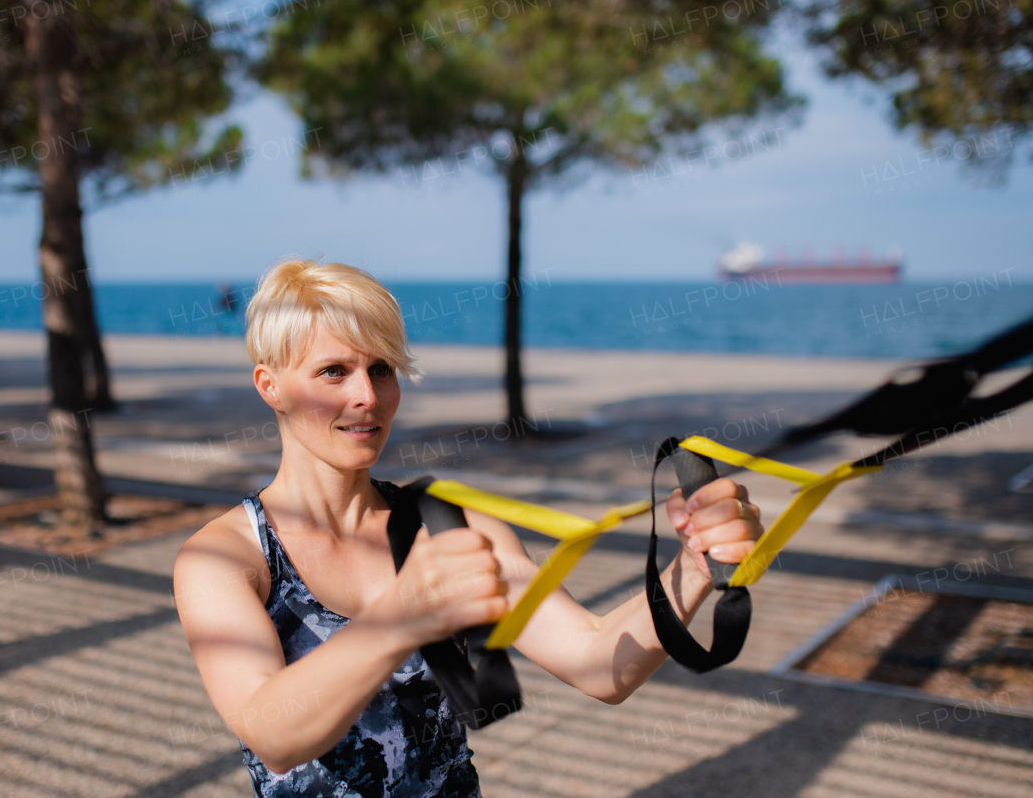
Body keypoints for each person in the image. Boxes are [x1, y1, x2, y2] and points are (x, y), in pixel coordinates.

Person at [172, 259, 764, 797]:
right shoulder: (221, 560)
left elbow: (599, 664)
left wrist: (692, 565)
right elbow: (274, 736)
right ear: (269, 385)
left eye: (382, 370)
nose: (366, 396)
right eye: (333, 371)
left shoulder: (448, 527)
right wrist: (402, 614)